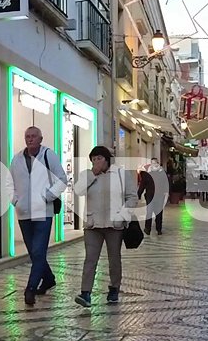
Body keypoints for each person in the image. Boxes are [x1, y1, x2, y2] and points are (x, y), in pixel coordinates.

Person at [73, 146, 137, 308]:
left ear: (107, 159)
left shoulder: (121, 175)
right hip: (92, 224)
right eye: (93, 159)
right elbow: (78, 191)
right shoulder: (87, 175)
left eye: (99, 158)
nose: (96, 162)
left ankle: (114, 288)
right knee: (90, 259)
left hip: (114, 225)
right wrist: (92, 175)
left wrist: (122, 214)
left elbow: (132, 197)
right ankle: (85, 293)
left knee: (114, 259)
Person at [9, 126, 67, 306]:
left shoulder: (49, 155)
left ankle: (30, 289)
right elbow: (9, 183)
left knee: (38, 250)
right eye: (27, 136)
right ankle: (48, 279)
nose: (30, 139)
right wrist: (15, 200)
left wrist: (46, 197)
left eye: (34, 136)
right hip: (24, 212)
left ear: (41, 139)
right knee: (34, 252)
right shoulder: (16, 159)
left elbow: (62, 180)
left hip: (43, 212)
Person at [137, 158, 167, 235]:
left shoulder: (160, 173)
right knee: (152, 212)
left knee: (156, 213)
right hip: (152, 196)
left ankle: (155, 229)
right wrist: (138, 195)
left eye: (155, 163)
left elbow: (166, 184)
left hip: (157, 195)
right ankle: (151, 229)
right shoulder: (148, 174)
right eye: (152, 163)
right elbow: (142, 185)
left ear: (158, 163)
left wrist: (166, 192)